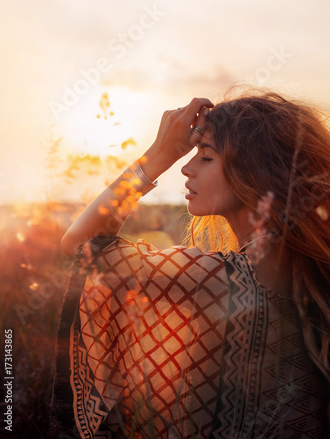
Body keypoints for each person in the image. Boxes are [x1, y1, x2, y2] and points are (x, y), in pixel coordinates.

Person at [49, 91, 330, 438]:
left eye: (206, 157)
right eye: (192, 155)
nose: (186, 167)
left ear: (256, 172)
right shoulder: (311, 273)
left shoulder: (220, 279)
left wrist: (157, 157)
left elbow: (82, 245)